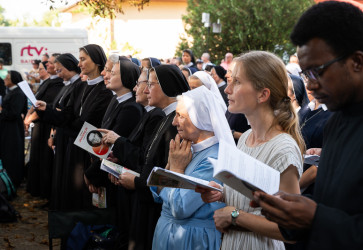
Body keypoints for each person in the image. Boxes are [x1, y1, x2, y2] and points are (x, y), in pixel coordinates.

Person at [253, 2, 363, 249]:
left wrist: (315, 217)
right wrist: (290, 212)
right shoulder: (336, 122)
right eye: (306, 74)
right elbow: (331, 202)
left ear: (357, 61)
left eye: (318, 71)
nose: (310, 86)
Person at [198, 51, 304, 250]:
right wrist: (221, 193)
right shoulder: (246, 138)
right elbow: (254, 197)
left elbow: (290, 229)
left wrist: (234, 215)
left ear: (263, 94)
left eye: (237, 82)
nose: (227, 90)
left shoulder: (283, 149)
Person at [111, 64, 189, 250]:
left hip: (154, 208)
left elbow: (166, 173)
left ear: (166, 87)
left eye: (151, 85)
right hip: (145, 201)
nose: (145, 90)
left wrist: (137, 182)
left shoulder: (174, 124)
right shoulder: (164, 117)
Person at [151, 85, 234, 249]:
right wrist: (168, 178)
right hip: (169, 233)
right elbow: (157, 192)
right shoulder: (187, 150)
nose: (174, 122)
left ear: (200, 118)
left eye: (180, 115)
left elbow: (180, 208)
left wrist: (174, 171)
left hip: (192, 240)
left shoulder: (214, 159)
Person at [35, 44, 113, 210]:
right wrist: (46, 109)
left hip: (88, 152)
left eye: (83, 59)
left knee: (83, 198)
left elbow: (83, 122)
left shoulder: (105, 92)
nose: (79, 64)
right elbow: (67, 115)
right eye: (79, 59)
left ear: (97, 61)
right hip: (73, 145)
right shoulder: (80, 86)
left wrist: (63, 119)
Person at [48, 53, 83, 210]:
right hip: (61, 134)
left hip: (71, 136)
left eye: (60, 70)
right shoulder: (67, 85)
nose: (57, 73)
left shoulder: (79, 85)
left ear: (70, 67)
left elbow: (67, 113)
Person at [26, 53, 64, 199]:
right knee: (38, 160)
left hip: (48, 126)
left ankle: (46, 192)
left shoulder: (58, 84)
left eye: (50, 63)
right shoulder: (49, 82)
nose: (47, 65)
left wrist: (29, 119)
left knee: (46, 161)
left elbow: (48, 105)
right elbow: (36, 101)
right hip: (40, 126)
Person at [0, 71, 27, 187]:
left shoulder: (18, 93)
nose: (4, 79)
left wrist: (1, 110)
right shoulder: (12, 92)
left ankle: (13, 179)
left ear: (13, 80)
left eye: (7, 77)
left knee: (12, 153)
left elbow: (14, 113)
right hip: (7, 128)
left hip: (13, 130)